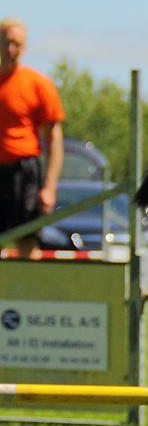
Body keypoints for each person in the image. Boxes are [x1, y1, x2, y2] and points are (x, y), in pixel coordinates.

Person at [0, 17, 65, 257]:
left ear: (24, 48)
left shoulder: (38, 84)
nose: (10, 50)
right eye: (5, 43)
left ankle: (25, 293)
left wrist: (49, 186)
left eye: (16, 44)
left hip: (24, 172)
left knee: (26, 238)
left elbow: (54, 139)